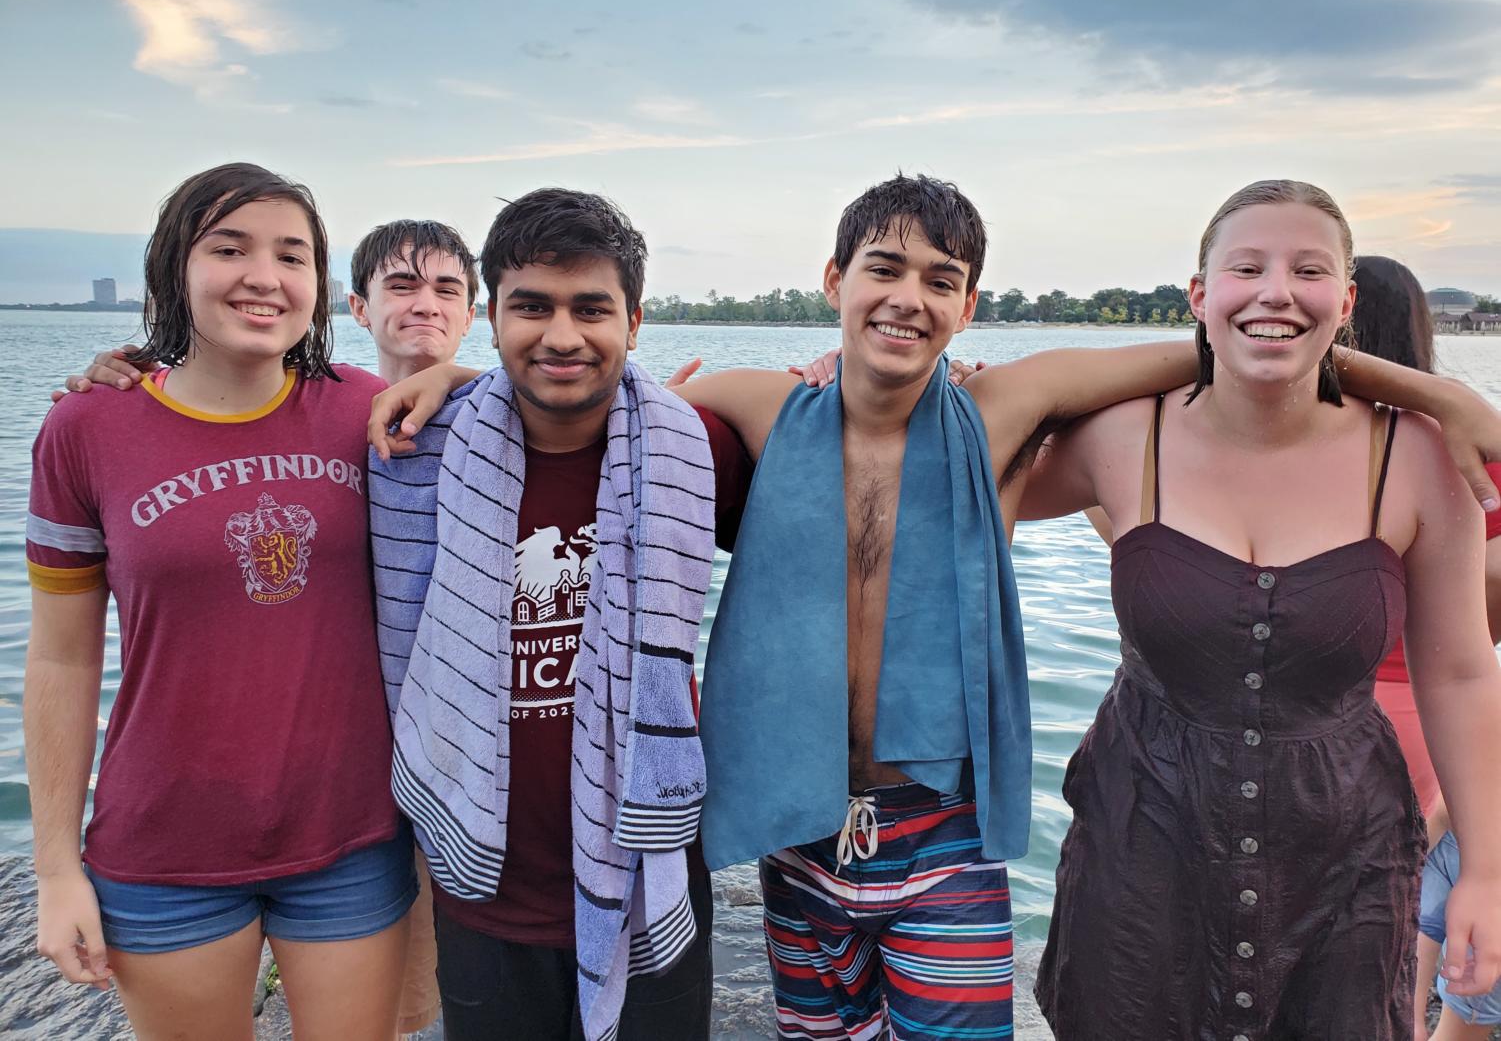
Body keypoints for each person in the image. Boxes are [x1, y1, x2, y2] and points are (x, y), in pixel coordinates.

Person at [375, 173, 1501, 1039]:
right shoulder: (760, 404)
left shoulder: (1007, 407)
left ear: (970, 304)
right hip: (798, 818)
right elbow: (588, 385)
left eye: (939, 278)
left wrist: (1428, 389)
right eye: (883, 267)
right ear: (833, 281)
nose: (906, 296)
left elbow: (1241, 347)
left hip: (943, 823)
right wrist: (456, 380)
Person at [1021, 181, 1501, 1039]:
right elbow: (960, 453)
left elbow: (1461, 674)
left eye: (1307, 271)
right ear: (1198, 295)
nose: (1276, 290)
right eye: (1246, 268)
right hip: (1138, 853)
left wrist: (1487, 876)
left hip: (1345, 869)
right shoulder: (1124, 436)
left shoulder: (1418, 457)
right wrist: (831, 383)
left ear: (1344, 301)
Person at [59, 215, 487, 1038]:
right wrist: (55, 867)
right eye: (227, 250)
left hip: (393, 810)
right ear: (356, 305)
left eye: (290, 256)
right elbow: (63, 655)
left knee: (416, 1014)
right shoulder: (95, 425)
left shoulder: (441, 410)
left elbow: (573, 400)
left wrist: (465, 377)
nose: (262, 275)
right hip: (202, 827)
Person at [368, 188, 752, 1041]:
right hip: (483, 881)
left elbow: (851, 452)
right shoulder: (416, 450)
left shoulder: (696, 452)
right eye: (531, 306)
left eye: (592, 308)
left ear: (635, 321)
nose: (562, 336)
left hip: (649, 866)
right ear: (492, 315)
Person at [1350, 255, 1501, 1041]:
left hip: (1324, 725)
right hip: (1442, 737)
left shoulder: (1309, 454)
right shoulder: (1466, 452)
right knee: (1398, 976)